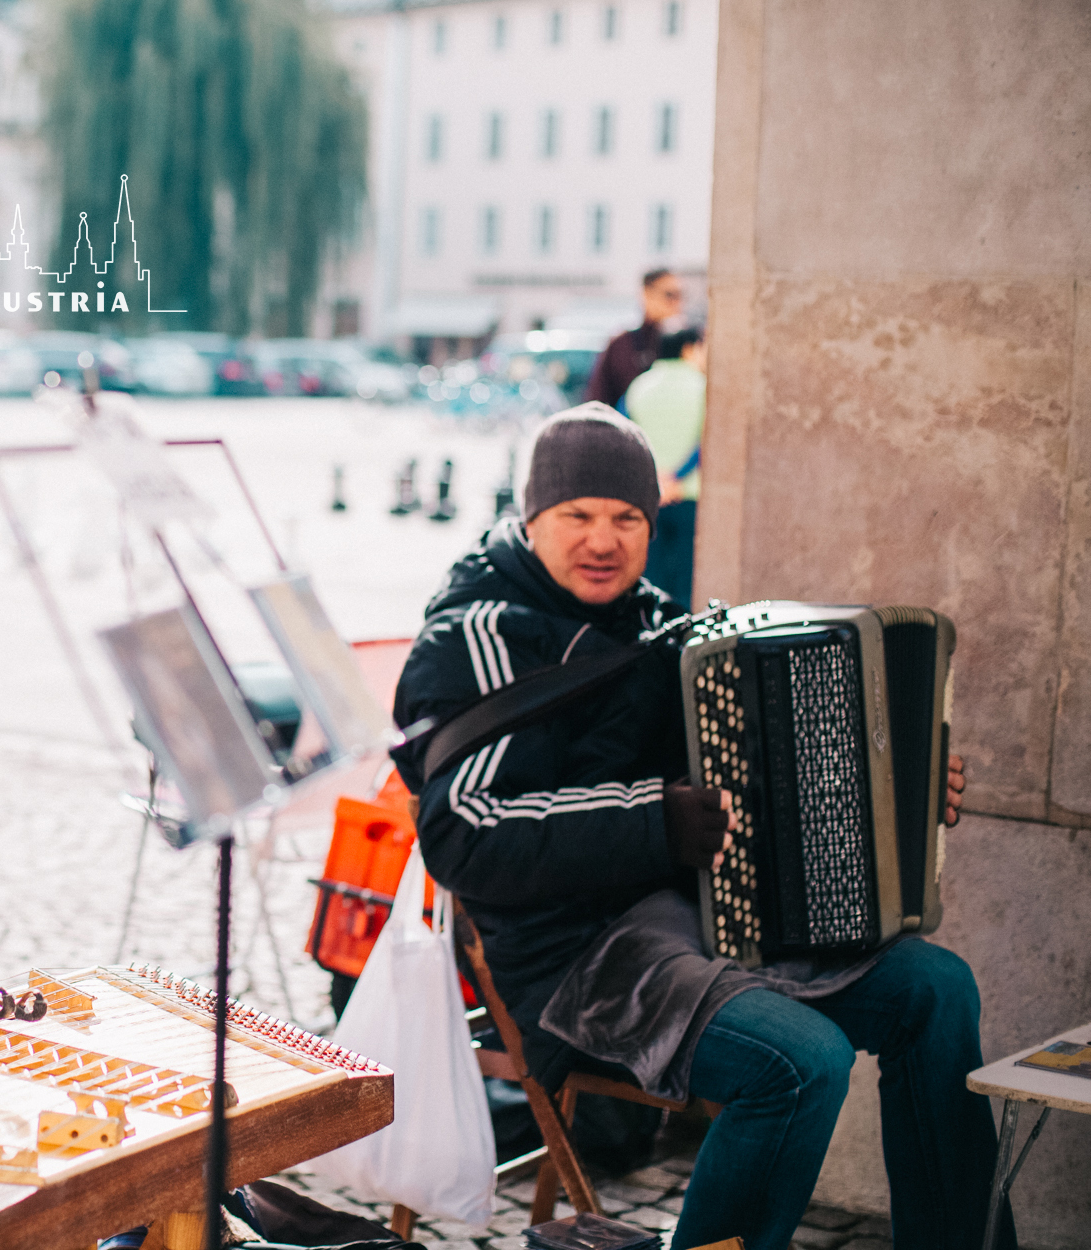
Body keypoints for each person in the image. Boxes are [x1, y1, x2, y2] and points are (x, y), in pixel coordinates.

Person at [390, 405, 1010, 1250]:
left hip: (705, 922)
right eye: (576, 516)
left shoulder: (657, 628)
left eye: (627, 519)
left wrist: (893, 797)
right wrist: (652, 820)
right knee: (801, 1062)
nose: (602, 540)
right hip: (578, 960)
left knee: (936, 990)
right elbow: (466, 828)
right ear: (530, 519)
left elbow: (749, 785)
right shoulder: (477, 636)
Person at [625, 325, 706, 606]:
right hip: (689, 494)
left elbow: (627, 435)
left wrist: (657, 477)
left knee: (652, 577)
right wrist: (678, 477)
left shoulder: (639, 386)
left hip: (651, 495)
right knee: (687, 579)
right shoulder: (703, 387)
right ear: (689, 348)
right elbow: (706, 443)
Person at [585, 269, 683, 410]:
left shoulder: (690, 346)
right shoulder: (621, 345)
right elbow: (597, 400)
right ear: (646, 295)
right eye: (670, 295)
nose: (677, 302)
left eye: (680, 295)